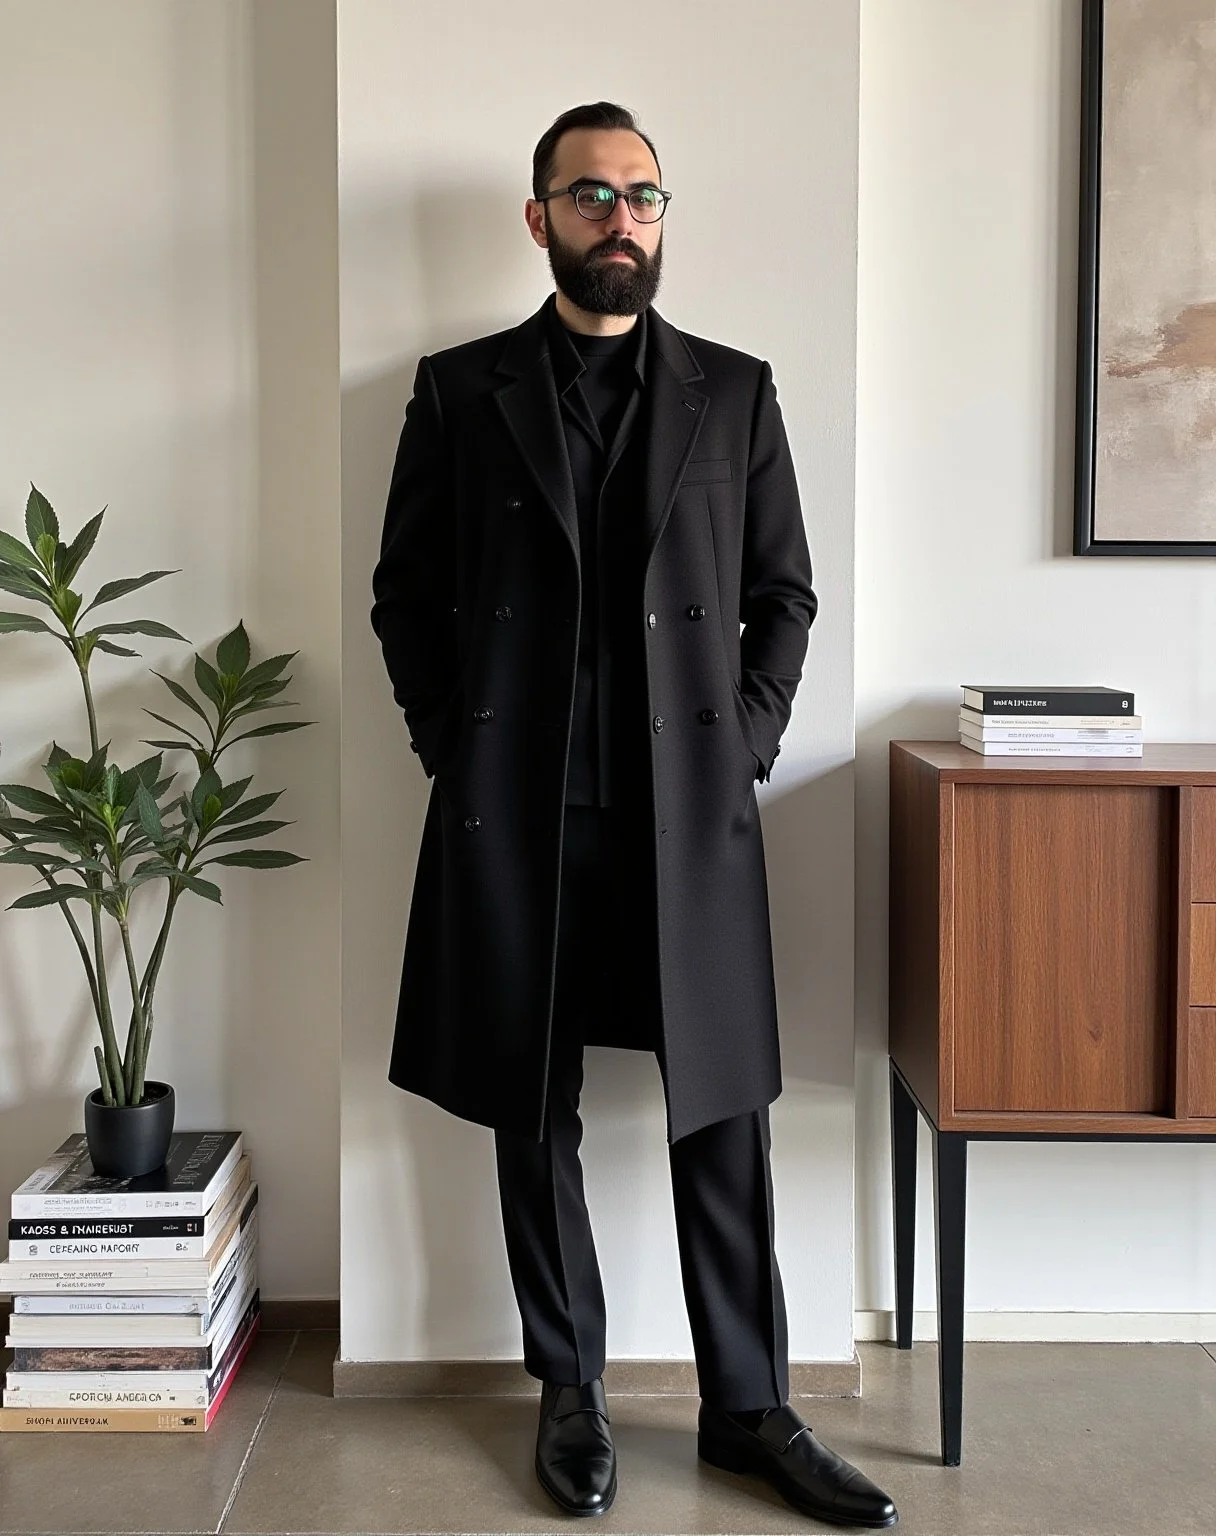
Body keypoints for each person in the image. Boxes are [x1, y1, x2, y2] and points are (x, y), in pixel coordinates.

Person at [370, 100, 898, 1530]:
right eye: (591, 195)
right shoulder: (460, 390)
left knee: (721, 1117)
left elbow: (782, 596)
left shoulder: (733, 393)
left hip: (686, 825)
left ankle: (750, 1407)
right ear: (538, 217)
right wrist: (453, 752)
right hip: (522, 821)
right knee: (529, 1116)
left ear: (667, 218)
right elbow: (404, 597)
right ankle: (572, 1390)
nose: (623, 219)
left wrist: (745, 749)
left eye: (646, 195)